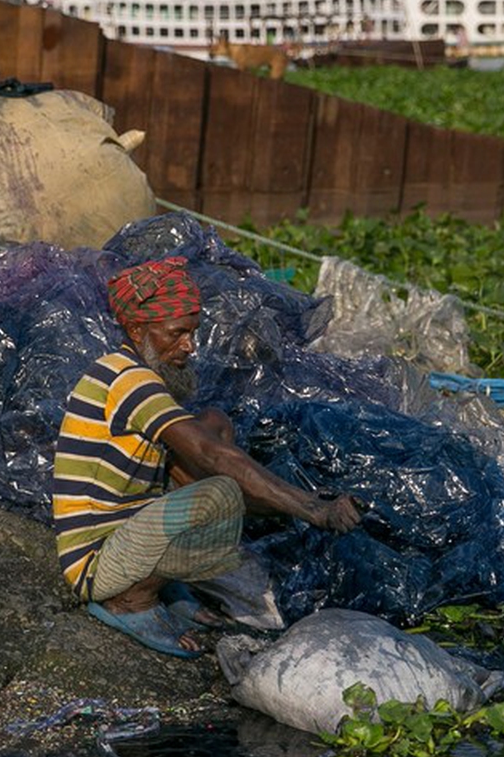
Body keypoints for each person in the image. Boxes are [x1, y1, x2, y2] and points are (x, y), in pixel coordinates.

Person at [53, 257, 361, 656]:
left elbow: (208, 439)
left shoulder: (132, 372)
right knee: (219, 493)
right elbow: (209, 455)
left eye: (192, 333)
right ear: (136, 329)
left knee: (213, 423)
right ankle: (129, 600)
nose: (189, 346)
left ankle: (160, 582)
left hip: (125, 535)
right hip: (95, 563)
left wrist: (283, 503)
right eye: (177, 334)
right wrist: (313, 509)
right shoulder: (129, 380)